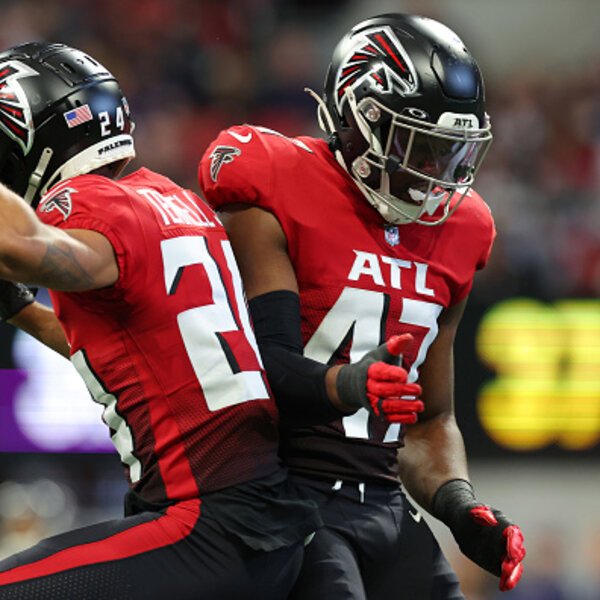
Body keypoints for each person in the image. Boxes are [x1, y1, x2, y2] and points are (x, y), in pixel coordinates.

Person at [0, 40, 419, 600]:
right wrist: (20, 309)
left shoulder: (90, 206)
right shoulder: (173, 199)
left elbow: (24, 246)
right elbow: (121, 349)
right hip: (257, 524)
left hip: (205, 528)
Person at [198, 12, 526, 600]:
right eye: (420, 148)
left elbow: (429, 421)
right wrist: (350, 384)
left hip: (382, 502)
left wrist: (460, 507)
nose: (435, 177)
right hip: (280, 492)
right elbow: (261, 367)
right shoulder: (276, 181)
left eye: (451, 154)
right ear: (358, 120)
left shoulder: (464, 229)